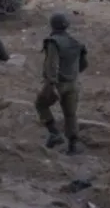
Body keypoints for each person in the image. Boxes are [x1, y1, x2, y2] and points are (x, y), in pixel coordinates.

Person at [35, 12, 89, 155]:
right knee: (70, 114)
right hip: (73, 84)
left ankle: (54, 133)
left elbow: (52, 64)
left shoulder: (53, 42)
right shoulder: (76, 43)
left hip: (57, 84)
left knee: (40, 104)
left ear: (52, 25)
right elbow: (84, 64)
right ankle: (72, 146)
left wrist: (51, 83)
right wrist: (72, 74)